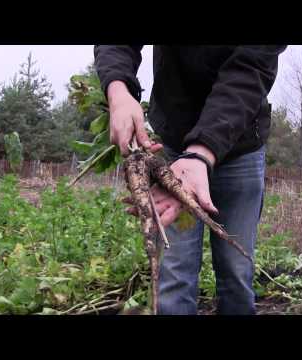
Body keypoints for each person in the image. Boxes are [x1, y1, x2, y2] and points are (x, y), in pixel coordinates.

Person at [94, 45, 287, 315]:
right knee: (174, 270)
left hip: (240, 145)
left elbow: (250, 67)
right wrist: (118, 92)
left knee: (237, 268)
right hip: (176, 137)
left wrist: (201, 154)